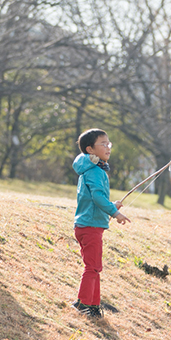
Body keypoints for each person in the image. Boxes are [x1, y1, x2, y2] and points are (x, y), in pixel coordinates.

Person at [72, 128, 130, 318]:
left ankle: (92, 305)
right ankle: (84, 304)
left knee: (95, 267)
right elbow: (97, 197)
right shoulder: (96, 171)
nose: (108, 147)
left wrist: (112, 204)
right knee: (93, 267)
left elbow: (94, 199)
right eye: (103, 144)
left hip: (86, 225)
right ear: (90, 149)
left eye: (109, 143)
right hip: (90, 227)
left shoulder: (89, 170)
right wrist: (115, 213)